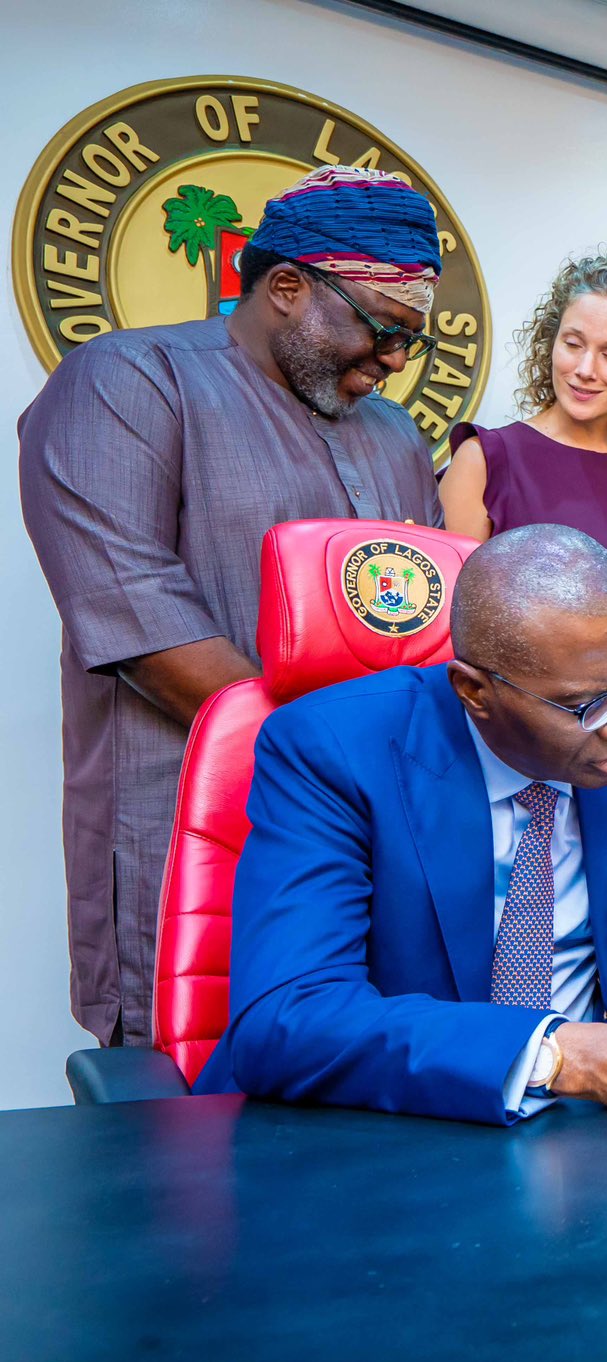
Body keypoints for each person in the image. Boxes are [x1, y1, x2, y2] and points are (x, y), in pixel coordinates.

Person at [195, 526, 607, 1124]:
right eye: (588, 704)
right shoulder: (333, 749)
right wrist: (564, 1056)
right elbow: (289, 1018)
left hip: (595, 1141)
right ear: (475, 693)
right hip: (387, 1133)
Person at [18, 165, 445, 1048]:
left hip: (379, 850)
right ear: (286, 287)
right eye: (380, 330)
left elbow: (429, 630)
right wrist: (348, 786)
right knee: (192, 1148)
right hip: (189, 834)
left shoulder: (398, 436)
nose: (395, 362)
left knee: (370, 1110)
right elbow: (143, 624)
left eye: (412, 342)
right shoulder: (129, 382)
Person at [439, 252, 607, 757]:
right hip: (530, 729)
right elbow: (454, 629)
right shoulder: (487, 459)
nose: (585, 370)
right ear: (551, 343)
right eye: (573, 344)